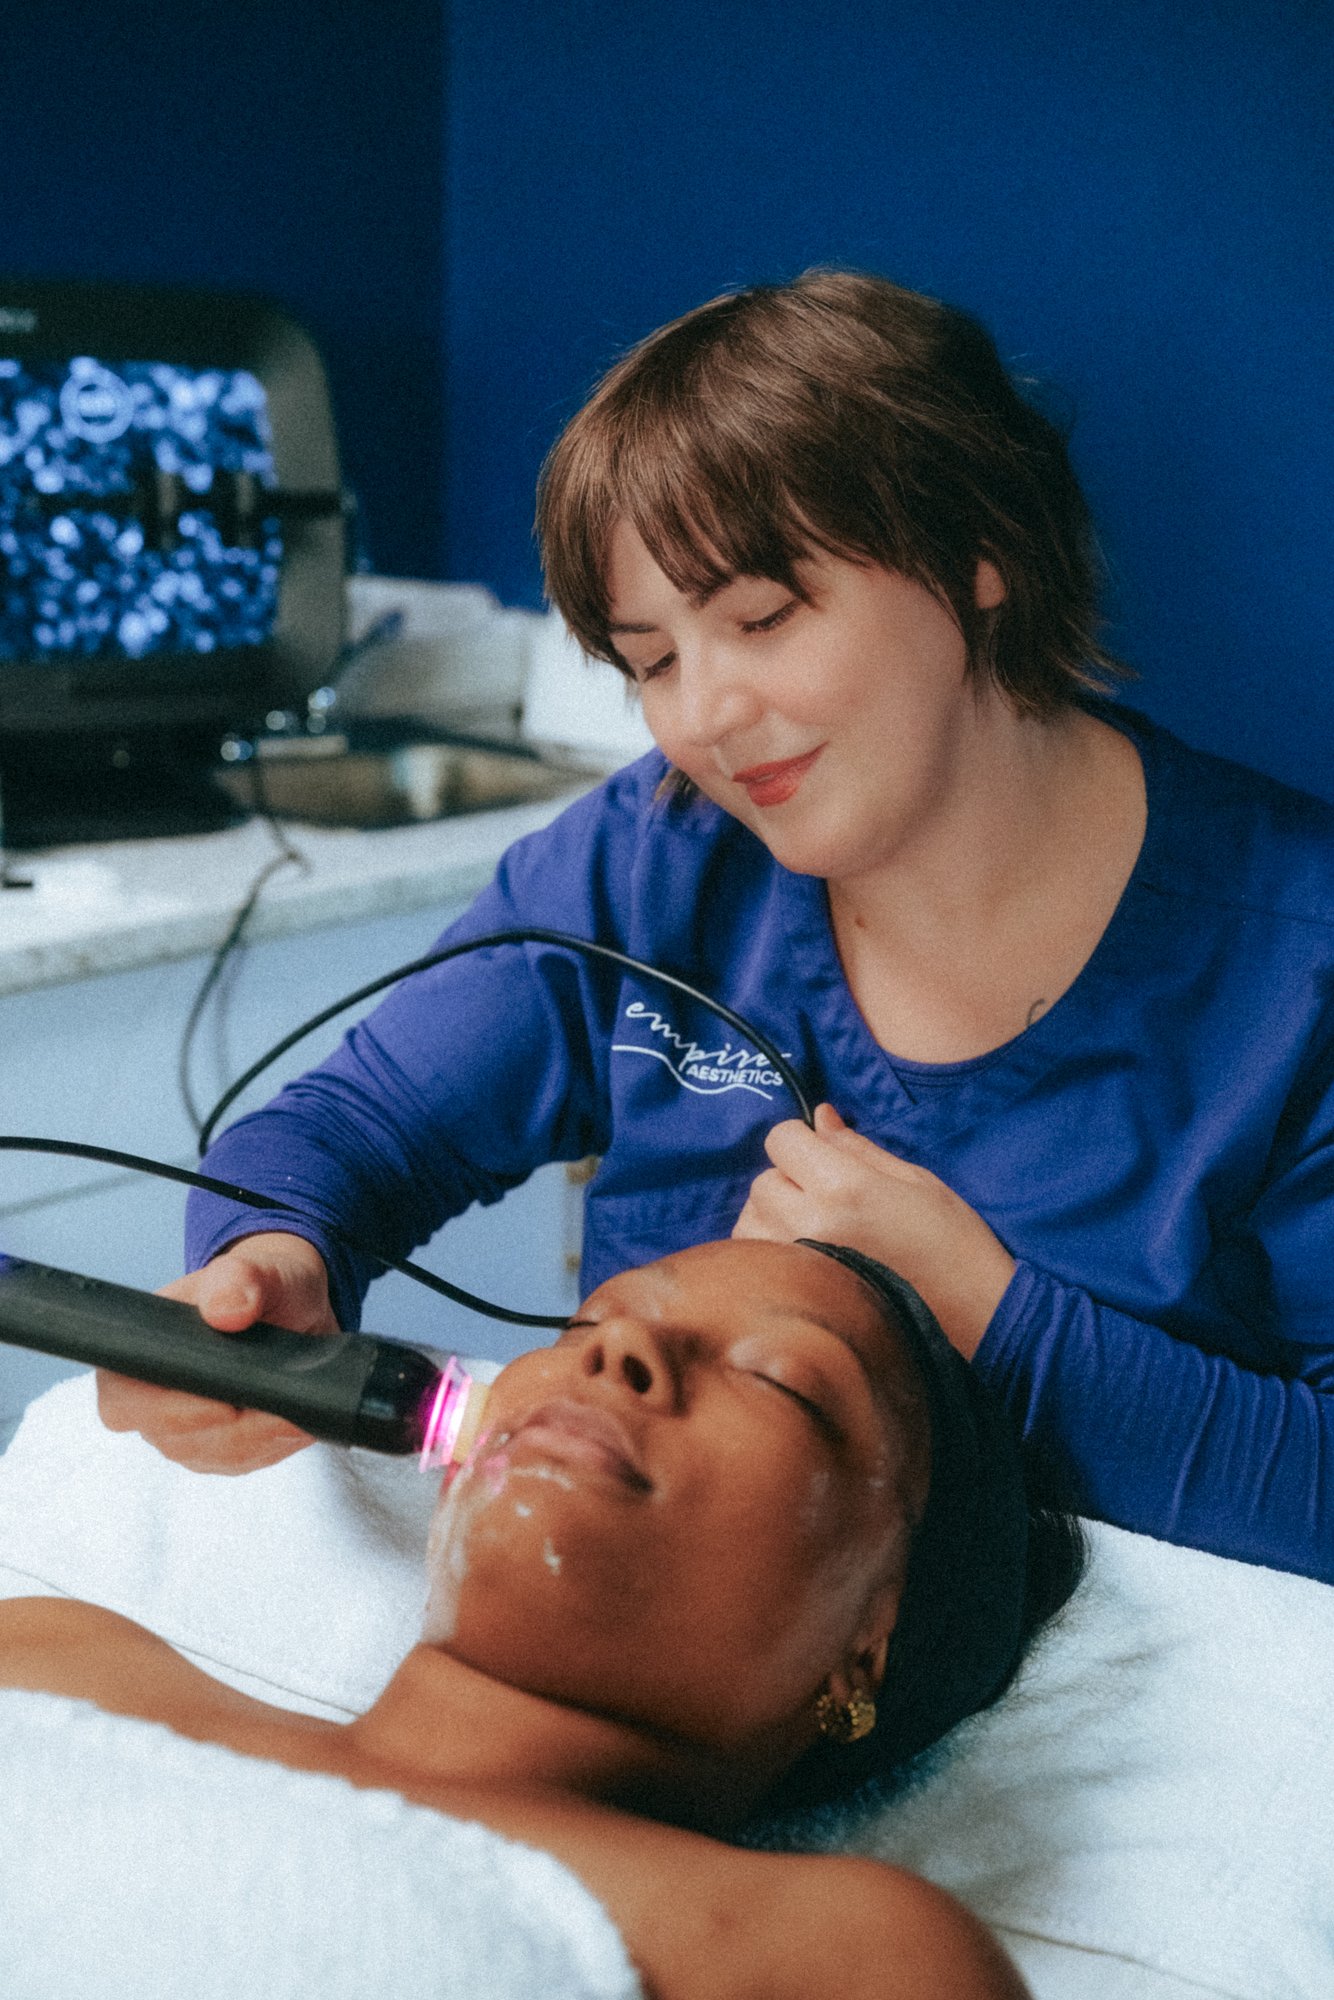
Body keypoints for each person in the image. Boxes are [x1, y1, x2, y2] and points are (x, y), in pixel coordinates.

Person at [102, 268, 1334, 1579]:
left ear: (982, 554)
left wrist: (989, 1315)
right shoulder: (652, 862)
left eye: (760, 617)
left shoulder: (1291, 969)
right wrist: (271, 1264)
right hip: (667, 1620)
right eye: (652, 661)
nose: (705, 718)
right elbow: (346, 1135)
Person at [4, 1240, 1082, 2000]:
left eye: (780, 1380)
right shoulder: (54, 1652)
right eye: (586, 1323)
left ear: (864, 1650)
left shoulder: (838, 1951)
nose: (613, 1355)